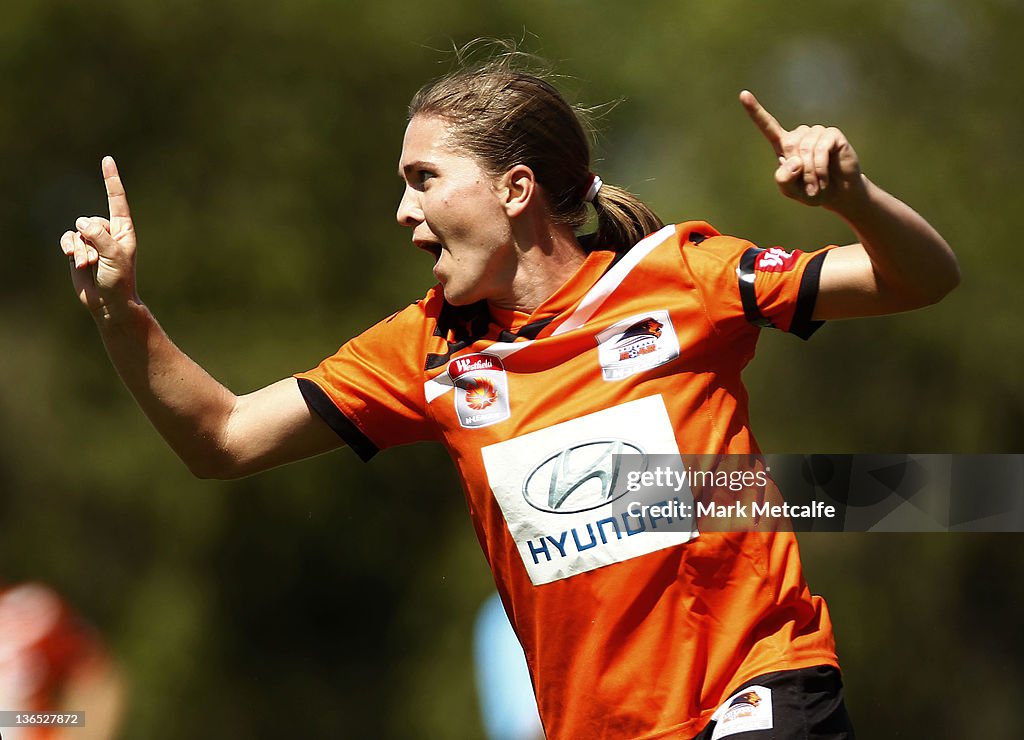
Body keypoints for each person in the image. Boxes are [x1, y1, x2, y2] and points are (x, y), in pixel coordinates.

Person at [60, 47, 958, 739]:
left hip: (760, 685)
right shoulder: (424, 351)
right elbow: (221, 439)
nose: (405, 213)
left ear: (515, 188)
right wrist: (120, 314)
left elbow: (921, 279)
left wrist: (855, 197)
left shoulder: (680, 277)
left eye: (424, 180)